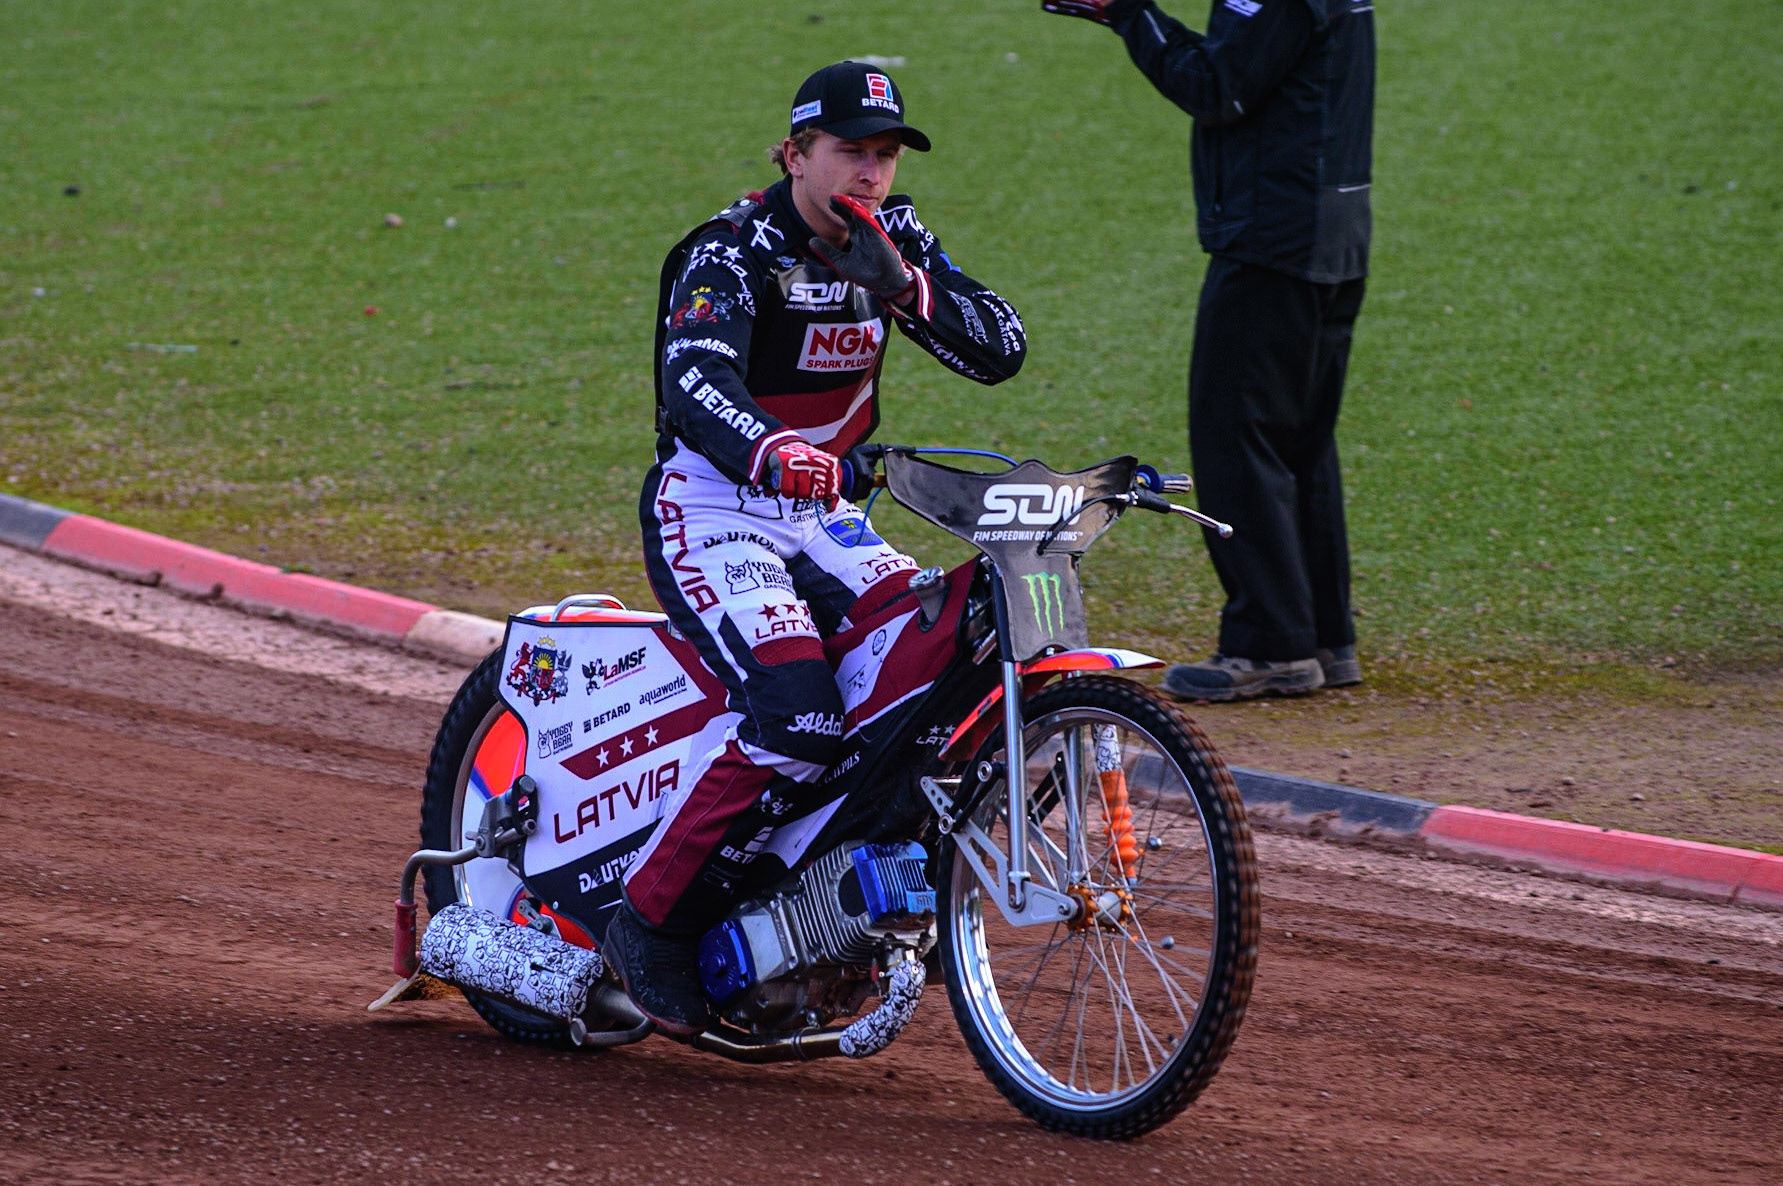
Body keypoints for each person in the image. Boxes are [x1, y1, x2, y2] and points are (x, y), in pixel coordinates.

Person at [603, 61, 1027, 1035]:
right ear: (793, 154)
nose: (870, 173)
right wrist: (772, 448)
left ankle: (817, 893)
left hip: (826, 517)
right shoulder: (730, 248)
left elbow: (1000, 347)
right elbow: (692, 378)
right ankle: (649, 920)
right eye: (849, 152)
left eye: (883, 154)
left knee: (916, 679)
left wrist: (912, 289)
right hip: (713, 508)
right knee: (797, 720)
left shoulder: (893, 236)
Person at [1044, 0, 1375, 701]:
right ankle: (1321, 635)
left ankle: (1269, 645)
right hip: (1332, 234)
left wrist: (1130, 14)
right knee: (1298, 444)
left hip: (1271, 240)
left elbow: (1215, 87)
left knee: (1237, 439)